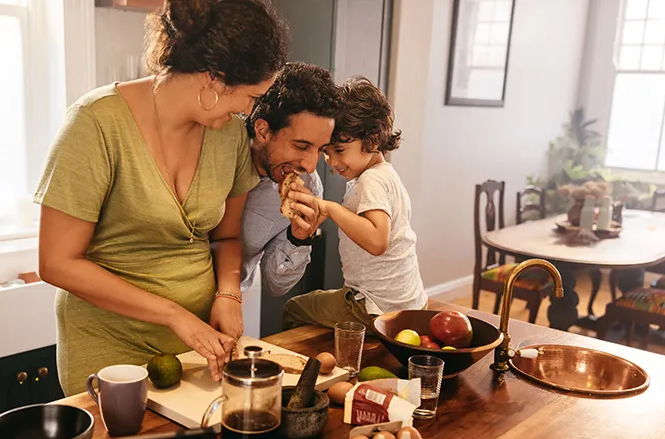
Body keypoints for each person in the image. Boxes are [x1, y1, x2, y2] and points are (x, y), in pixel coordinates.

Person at [34, 0, 288, 396]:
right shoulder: (95, 123)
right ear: (214, 79)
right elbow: (56, 263)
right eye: (252, 96)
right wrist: (173, 314)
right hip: (108, 344)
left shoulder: (231, 135)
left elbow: (226, 238)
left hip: (195, 342)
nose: (251, 110)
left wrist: (228, 293)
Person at [282, 77, 427, 330]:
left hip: (374, 308)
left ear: (371, 141)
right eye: (326, 152)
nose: (331, 161)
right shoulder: (386, 173)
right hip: (411, 304)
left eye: (339, 150)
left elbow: (377, 240)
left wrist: (330, 208)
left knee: (294, 309)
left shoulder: (371, 181)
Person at [241, 63, 341, 296]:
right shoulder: (222, 154)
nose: (310, 165)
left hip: (229, 306)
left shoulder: (310, 185)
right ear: (263, 131)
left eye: (320, 149)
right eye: (301, 146)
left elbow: (276, 286)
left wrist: (298, 239)